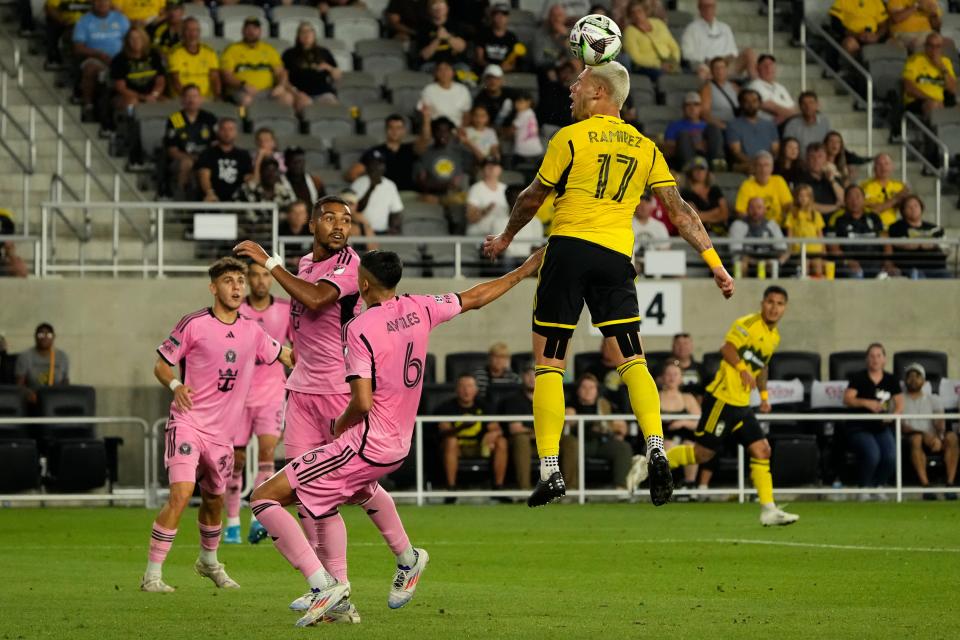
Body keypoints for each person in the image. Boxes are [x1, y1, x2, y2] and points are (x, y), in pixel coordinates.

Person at [482, 61, 735, 508]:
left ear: (599, 91)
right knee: (632, 357)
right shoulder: (645, 146)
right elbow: (680, 212)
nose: (572, 90)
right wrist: (715, 262)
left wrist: (506, 237)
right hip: (616, 257)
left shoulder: (570, 137)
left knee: (549, 363)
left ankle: (551, 470)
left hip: (569, 250)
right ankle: (656, 445)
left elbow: (531, 198)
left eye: (579, 84)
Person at [247, 248, 543, 626]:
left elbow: (363, 401)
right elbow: (476, 296)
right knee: (353, 492)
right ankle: (406, 559)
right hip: (397, 445)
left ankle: (324, 585)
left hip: (365, 444)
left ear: (364, 283)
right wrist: (523, 270)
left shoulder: (359, 328)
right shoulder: (421, 307)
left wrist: (340, 424)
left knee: (264, 498)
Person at [233, 197, 416, 621]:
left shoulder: (352, 266)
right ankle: (337, 595)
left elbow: (316, 301)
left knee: (351, 486)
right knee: (307, 495)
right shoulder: (303, 262)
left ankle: (406, 555)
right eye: (330, 218)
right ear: (313, 222)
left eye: (347, 220)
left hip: (340, 391)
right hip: (301, 391)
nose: (339, 225)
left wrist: (269, 262)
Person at [142, 257, 291, 593]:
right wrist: (176, 386)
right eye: (229, 280)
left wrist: (330, 361)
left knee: (214, 501)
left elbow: (285, 355)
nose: (237, 287)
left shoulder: (253, 331)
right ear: (213, 287)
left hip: (222, 435)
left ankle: (208, 562)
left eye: (240, 280)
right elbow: (161, 366)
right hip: (188, 424)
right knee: (181, 494)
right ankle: (152, 574)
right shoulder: (193, 324)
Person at [658, 286, 798, 525]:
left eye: (780, 304)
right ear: (763, 303)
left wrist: (764, 397)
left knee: (762, 450)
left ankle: (768, 509)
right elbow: (727, 349)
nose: (774, 308)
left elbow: (762, 367)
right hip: (722, 400)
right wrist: (742, 370)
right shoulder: (748, 323)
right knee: (702, 454)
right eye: (770, 302)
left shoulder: (774, 337)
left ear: (785, 308)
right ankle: (650, 463)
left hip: (742, 405)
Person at [223, 263, 292, 544]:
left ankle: (256, 519)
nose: (261, 280)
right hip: (238, 394)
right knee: (236, 460)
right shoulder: (236, 310)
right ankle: (231, 524)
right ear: (247, 280)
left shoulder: (286, 309)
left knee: (266, 453)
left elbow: (296, 350)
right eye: (255, 275)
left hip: (272, 391)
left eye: (266, 274)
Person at [500, 365, 580, 492]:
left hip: (550, 441)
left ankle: (571, 490)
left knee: (570, 441)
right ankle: (525, 490)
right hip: (529, 443)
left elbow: (567, 418)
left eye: (536, 375)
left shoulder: (552, 397)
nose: (532, 379)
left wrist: (570, 413)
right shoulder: (513, 400)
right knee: (521, 439)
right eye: (528, 375)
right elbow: (515, 429)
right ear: (522, 378)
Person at [843, 343, 903, 500]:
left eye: (878, 356)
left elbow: (900, 403)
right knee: (872, 453)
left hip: (881, 427)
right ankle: (863, 487)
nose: (875, 359)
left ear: (884, 359)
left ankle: (878, 485)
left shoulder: (891, 379)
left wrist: (892, 416)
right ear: (866, 359)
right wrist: (867, 403)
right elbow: (848, 399)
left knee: (891, 455)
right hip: (859, 427)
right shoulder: (858, 378)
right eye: (871, 356)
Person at [434, 373, 508, 499]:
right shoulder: (446, 407)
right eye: (462, 387)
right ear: (456, 390)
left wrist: (493, 434)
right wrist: (462, 427)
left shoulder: (484, 406)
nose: (466, 391)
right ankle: (451, 489)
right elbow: (444, 431)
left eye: (469, 386)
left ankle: (498, 488)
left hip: (480, 446)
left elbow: (496, 428)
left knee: (501, 442)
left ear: (476, 390)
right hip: (457, 448)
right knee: (450, 441)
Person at [565, 373, 634, 490]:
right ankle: (573, 490)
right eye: (584, 387)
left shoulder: (605, 405)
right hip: (581, 443)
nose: (588, 391)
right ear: (578, 390)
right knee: (572, 447)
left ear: (597, 390)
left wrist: (619, 428)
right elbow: (568, 423)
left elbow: (620, 426)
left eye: (591, 387)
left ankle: (621, 488)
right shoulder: (571, 406)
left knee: (623, 447)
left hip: (602, 442)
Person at [902, 363, 958, 499]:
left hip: (933, 439)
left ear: (924, 381)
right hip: (910, 441)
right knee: (917, 439)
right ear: (905, 381)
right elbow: (902, 426)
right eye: (910, 376)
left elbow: (940, 423)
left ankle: (950, 485)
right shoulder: (899, 400)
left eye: (917, 376)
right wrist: (923, 435)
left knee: (951, 437)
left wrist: (939, 437)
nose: (913, 379)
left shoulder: (934, 399)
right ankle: (926, 487)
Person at [73, 0, 130, 121]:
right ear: (92, 2)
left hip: (120, 59)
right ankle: (88, 105)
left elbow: (130, 39)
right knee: (90, 68)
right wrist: (99, 54)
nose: (102, 3)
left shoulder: (120, 18)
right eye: (98, 1)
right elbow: (78, 48)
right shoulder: (84, 21)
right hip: (96, 59)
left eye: (105, 1)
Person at [220, 17, 295, 108]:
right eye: (248, 29)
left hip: (268, 90)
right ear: (243, 31)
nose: (251, 32)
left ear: (260, 31)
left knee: (287, 97)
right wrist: (243, 85)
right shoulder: (232, 49)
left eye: (255, 29)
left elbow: (281, 72)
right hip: (242, 90)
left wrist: (281, 86)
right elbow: (226, 75)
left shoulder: (269, 49)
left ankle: (281, 122)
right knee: (247, 100)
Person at [649, 362, 701, 490]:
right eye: (668, 374)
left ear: (681, 378)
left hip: (685, 437)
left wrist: (682, 422)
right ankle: (663, 485)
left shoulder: (688, 398)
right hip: (662, 438)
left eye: (675, 374)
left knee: (691, 447)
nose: (672, 378)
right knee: (668, 446)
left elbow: (699, 422)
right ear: (662, 378)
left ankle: (690, 485)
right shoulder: (655, 396)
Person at [163, 84, 218, 199]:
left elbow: (216, 143)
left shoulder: (208, 118)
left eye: (195, 96)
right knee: (186, 163)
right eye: (188, 96)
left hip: (206, 158)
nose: (191, 100)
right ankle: (180, 196)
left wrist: (204, 158)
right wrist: (190, 157)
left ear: (201, 99)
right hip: (182, 159)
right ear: (182, 99)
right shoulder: (176, 118)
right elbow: (172, 150)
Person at [680, 0, 757, 80]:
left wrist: (727, 59)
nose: (708, 10)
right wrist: (708, 61)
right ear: (699, 9)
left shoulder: (725, 28)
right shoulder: (691, 29)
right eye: (705, 6)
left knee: (749, 53)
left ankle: (757, 85)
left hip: (727, 67)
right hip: (708, 67)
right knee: (702, 71)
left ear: (715, 8)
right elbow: (687, 55)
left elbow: (734, 52)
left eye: (711, 6)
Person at [829, 185, 891, 278]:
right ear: (845, 201)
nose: (854, 200)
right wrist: (847, 261)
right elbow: (833, 247)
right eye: (850, 197)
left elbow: (886, 242)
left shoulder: (874, 217)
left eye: (858, 196)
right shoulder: (837, 219)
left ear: (864, 199)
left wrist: (888, 262)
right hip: (849, 266)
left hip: (876, 264)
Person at [346, 115, 418, 191]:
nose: (395, 131)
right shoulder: (374, 152)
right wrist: (368, 189)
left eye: (398, 128)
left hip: (408, 193)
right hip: (383, 194)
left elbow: (426, 140)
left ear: (404, 131)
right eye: (391, 127)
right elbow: (351, 174)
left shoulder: (410, 149)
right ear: (386, 130)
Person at [885, 194, 949, 278]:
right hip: (909, 268)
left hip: (936, 267)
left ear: (921, 208)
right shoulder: (896, 227)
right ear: (903, 211)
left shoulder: (935, 228)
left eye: (916, 205)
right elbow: (904, 245)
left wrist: (920, 244)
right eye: (909, 206)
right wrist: (928, 244)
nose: (913, 209)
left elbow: (945, 247)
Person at [414, 116, 472, 205]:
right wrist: (445, 185)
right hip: (432, 196)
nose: (443, 134)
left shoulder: (459, 152)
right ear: (433, 133)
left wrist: (466, 141)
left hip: (454, 196)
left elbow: (461, 181)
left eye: (446, 131)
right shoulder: (425, 153)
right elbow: (422, 183)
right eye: (439, 131)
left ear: (451, 133)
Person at [662, 92, 725, 171]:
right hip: (686, 157)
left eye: (696, 104)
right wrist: (694, 145)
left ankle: (716, 163)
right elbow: (668, 148)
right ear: (683, 108)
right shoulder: (674, 126)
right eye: (688, 105)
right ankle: (688, 169)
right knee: (683, 135)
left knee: (714, 128)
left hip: (706, 157)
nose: (692, 108)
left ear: (701, 108)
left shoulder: (706, 126)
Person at [196, 117, 253, 203]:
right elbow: (204, 176)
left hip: (237, 201)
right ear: (218, 132)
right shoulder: (207, 153)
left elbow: (248, 178)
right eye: (224, 129)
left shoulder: (244, 155)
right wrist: (209, 193)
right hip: (213, 198)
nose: (227, 133)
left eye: (231, 129)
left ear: (236, 133)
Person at [729, 197, 790, 276]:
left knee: (775, 262)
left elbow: (781, 248)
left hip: (767, 260)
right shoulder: (738, 224)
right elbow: (735, 250)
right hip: (747, 260)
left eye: (759, 207)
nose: (755, 211)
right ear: (747, 209)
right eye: (752, 207)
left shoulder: (772, 224)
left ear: (765, 210)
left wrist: (774, 261)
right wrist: (754, 261)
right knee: (741, 264)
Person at [110, 26, 165, 112]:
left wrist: (154, 95)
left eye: (138, 38)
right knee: (132, 102)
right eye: (132, 38)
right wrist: (142, 97)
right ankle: (132, 124)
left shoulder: (154, 55)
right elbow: (121, 87)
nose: (136, 41)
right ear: (127, 41)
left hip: (151, 95)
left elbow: (160, 81)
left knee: (167, 103)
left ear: (144, 39)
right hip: (126, 96)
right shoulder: (119, 59)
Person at [622, 0, 680, 81]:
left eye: (639, 11)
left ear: (645, 11)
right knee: (663, 75)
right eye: (633, 13)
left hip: (669, 61)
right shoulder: (629, 31)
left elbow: (673, 45)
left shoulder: (658, 23)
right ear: (630, 16)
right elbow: (635, 57)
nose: (637, 15)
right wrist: (659, 64)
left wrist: (674, 61)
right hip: (646, 67)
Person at [15, 323, 70, 407]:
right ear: (35, 337)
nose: (44, 337)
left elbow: (65, 383)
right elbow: (19, 384)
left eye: (48, 334)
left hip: (56, 400)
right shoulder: (25, 356)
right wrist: (27, 394)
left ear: (54, 337)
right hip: (32, 400)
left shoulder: (62, 356)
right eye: (40, 334)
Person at [903, 32, 957, 117]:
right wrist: (929, 98)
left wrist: (941, 67)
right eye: (931, 46)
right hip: (918, 101)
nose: (934, 49)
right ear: (925, 46)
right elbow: (908, 88)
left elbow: (953, 89)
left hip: (941, 101)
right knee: (933, 105)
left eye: (937, 46)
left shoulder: (946, 62)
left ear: (941, 48)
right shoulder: (914, 60)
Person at [725, 89, 780, 172]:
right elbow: (736, 152)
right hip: (748, 165)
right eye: (747, 101)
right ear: (741, 104)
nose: (751, 105)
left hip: (768, 165)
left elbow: (775, 150)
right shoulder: (733, 125)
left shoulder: (770, 124)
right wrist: (758, 164)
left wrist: (765, 163)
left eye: (754, 101)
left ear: (759, 103)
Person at [350, 150, 403, 235]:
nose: (377, 167)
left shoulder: (390, 185)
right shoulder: (358, 183)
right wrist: (371, 188)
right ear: (367, 167)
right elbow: (355, 210)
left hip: (382, 232)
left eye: (380, 163)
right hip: (362, 232)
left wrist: (394, 228)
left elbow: (396, 211)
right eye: (373, 164)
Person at [167, 17, 221, 99]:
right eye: (188, 30)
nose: (193, 34)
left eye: (196, 30)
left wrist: (218, 96)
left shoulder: (209, 52)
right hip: (183, 99)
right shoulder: (174, 53)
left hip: (206, 99)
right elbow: (175, 81)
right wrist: (190, 98)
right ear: (182, 32)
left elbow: (215, 78)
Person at [734, 151, 793, 225]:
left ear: (772, 168)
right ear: (754, 168)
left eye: (766, 165)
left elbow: (788, 204)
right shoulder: (747, 185)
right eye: (759, 165)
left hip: (778, 226)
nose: (763, 170)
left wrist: (786, 215)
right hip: (754, 226)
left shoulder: (779, 180)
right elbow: (740, 212)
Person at [783, 184, 826, 277]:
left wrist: (824, 252)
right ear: (796, 197)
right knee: (803, 269)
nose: (803, 198)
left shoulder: (816, 214)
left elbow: (820, 236)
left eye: (806, 196)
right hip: (799, 250)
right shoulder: (792, 215)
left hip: (815, 250)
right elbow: (789, 235)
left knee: (817, 268)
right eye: (800, 195)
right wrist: (789, 251)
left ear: (810, 198)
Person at [416, 0, 469, 73]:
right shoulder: (423, 27)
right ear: (429, 10)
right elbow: (425, 55)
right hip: (432, 65)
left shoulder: (456, 25)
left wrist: (447, 37)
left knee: (464, 68)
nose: (438, 8)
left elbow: (462, 48)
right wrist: (437, 39)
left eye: (441, 4)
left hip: (454, 63)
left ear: (447, 8)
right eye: (434, 5)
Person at [681, 157, 729, 236]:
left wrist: (704, 217)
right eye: (696, 169)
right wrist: (716, 212)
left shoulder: (715, 190)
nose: (699, 172)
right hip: (699, 233)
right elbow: (694, 218)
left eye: (702, 169)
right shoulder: (686, 193)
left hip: (721, 230)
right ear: (690, 172)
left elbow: (725, 214)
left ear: (707, 172)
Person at [861, 154, 910, 229]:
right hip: (871, 227)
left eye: (886, 164)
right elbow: (874, 210)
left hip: (893, 228)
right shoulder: (864, 187)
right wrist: (896, 199)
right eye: (879, 164)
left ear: (892, 167)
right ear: (874, 168)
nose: (883, 167)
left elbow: (908, 208)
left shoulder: (899, 187)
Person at [747, 54, 798, 125]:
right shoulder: (755, 85)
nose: (768, 69)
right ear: (758, 68)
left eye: (771, 65)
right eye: (764, 66)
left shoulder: (781, 87)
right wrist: (794, 116)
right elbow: (770, 106)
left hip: (789, 121)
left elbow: (793, 107)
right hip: (771, 124)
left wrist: (789, 115)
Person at [419, 61, 472, 128]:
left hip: (457, 129)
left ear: (453, 72)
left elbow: (466, 114)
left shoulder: (463, 89)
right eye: (440, 70)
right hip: (436, 129)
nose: (444, 73)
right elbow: (424, 113)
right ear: (435, 73)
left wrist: (462, 129)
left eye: (447, 69)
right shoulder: (428, 90)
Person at [466, 156, 509, 237]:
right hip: (480, 234)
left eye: (495, 165)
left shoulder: (506, 189)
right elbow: (470, 217)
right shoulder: (476, 188)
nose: (491, 168)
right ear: (482, 170)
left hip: (501, 234)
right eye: (488, 165)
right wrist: (485, 210)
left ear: (500, 169)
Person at [797, 142, 844, 216]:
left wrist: (832, 181)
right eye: (812, 157)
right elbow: (808, 205)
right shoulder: (800, 179)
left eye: (820, 156)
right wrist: (835, 207)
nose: (816, 160)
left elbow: (843, 200)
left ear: (826, 159)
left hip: (836, 221)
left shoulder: (834, 177)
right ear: (807, 159)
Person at [475, 3, 524, 72]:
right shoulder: (483, 34)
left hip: (505, 73)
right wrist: (494, 68)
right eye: (497, 14)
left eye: (504, 14)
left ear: (508, 18)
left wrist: (507, 68)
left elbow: (514, 63)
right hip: (486, 71)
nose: (500, 17)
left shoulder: (512, 37)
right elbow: (479, 59)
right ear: (492, 17)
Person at [699, 56, 740, 135]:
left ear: (726, 70)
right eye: (716, 68)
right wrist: (722, 125)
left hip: (736, 124)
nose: (720, 71)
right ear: (712, 71)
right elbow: (704, 113)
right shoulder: (707, 88)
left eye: (722, 67)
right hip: (720, 126)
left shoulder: (735, 87)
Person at [631, 193, 671, 273]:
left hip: (656, 268)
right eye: (640, 202)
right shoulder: (626, 225)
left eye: (647, 202)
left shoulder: (659, 226)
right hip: (631, 267)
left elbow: (666, 251)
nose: (643, 206)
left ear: (652, 206)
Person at [473, 64, 515, 129]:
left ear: (502, 80)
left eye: (497, 79)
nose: (493, 81)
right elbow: (479, 121)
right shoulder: (480, 98)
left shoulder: (511, 93)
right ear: (484, 80)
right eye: (489, 78)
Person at [510, 91, 543, 166]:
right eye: (516, 102)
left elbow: (512, 129)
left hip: (523, 150)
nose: (516, 104)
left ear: (529, 102)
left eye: (520, 102)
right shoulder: (531, 112)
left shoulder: (524, 114)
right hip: (536, 149)